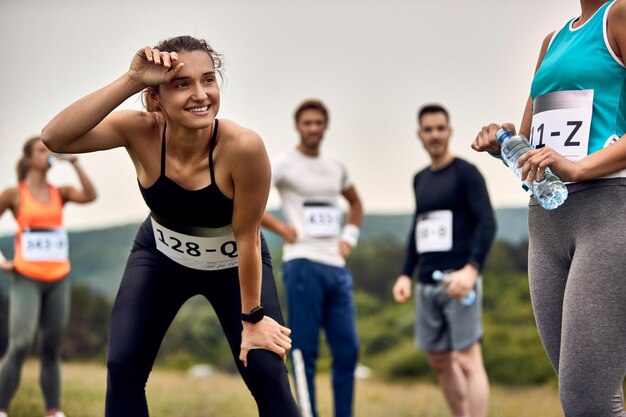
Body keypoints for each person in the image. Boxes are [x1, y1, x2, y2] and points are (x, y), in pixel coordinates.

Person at [40, 35, 301, 417]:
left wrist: (254, 319)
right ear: (154, 98)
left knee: (265, 372)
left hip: (233, 263)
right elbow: (54, 137)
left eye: (208, 80)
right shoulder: (140, 130)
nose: (200, 94)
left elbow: (247, 237)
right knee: (123, 367)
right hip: (160, 256)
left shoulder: (243, 147)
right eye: (182, 84)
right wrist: (132, 79)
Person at [472, 1, 626, 415]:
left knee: (587, 399)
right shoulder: (552, 41)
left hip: (608, 210)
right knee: (580, 394)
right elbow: (529, 140)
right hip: (546, 215)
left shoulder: (619, 16)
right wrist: (501, 141)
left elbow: (571, 159)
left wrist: (579, 166)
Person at [261, 99, 363, 417]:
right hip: (302, 262)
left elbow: (355, 203)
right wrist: (280, 228)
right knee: (305, 350)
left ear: (326, 126)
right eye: (307, 123)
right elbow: (248, 195)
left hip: (336, 265)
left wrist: (349, 237)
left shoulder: (335, 164)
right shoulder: (284, 163)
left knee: (348, 350)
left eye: (319, 123)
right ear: (298, 126)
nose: (313, 128)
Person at [393, 104, 496, 417]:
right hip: (426, 282)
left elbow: (487, 222)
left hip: (460, 280)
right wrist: (404, 274)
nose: (435, 135)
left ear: (449, 131)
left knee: (467, 359)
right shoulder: (420, 179)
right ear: (420, 135)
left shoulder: (466, 173)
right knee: (439, 360)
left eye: (440, 128)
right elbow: (418, 227)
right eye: (428, 130)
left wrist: (471, 269)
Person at [0, 137, 97, 417]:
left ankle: (53, 411)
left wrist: (75, 162)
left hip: (58, 278)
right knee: (20, 343)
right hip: (26, 277)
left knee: (51, 346)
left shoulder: (60, 192)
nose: (48, 154)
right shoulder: (14, 194)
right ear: (29, 158)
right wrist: (3, 261)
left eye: (50, 150)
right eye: (42, 150)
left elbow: (90, 195)